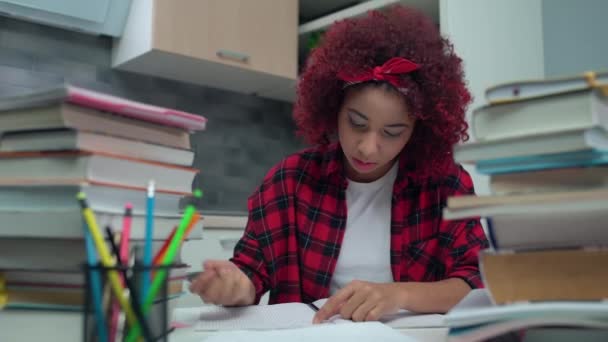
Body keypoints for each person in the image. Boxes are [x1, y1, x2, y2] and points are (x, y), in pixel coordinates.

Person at [189, 5, 489, 323]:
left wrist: (398, 294)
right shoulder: (290, 181)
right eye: (357, 123)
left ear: (418, 130)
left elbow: (477, 283)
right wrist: (232, 286)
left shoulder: (444, 184)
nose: (368, 147)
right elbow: (251, 273)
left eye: (392, 132)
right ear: (334, 106)